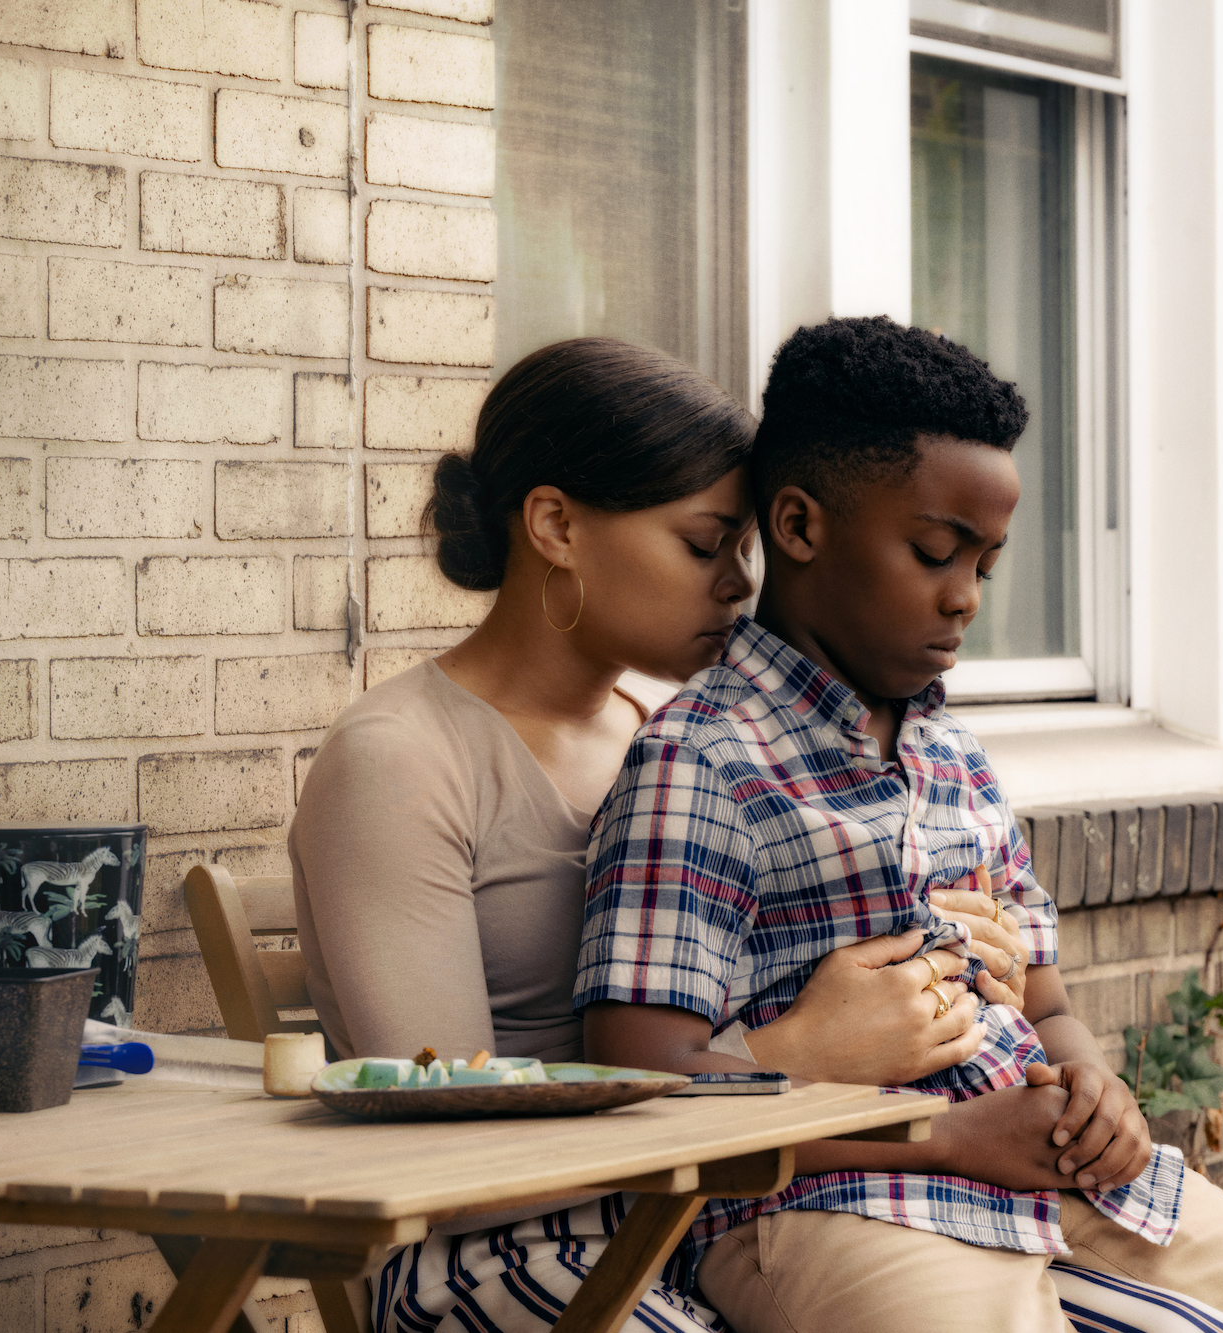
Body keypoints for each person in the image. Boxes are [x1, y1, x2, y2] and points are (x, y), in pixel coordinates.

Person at [576, 316, 1223, 1333]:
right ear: (796, 525)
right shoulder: (703, 762)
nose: (963, 598)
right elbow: (641, 1087)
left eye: (986, 565)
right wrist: (951, 1137)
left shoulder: (952, 755)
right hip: (827, 1205)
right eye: (931, 552)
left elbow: (1041, 1001)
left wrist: (1093, 1082)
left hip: (1047, 1172)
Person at [289, 336, 1029, 1333]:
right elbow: (447, 1143)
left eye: (743, 548)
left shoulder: (672, 734)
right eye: (701, 543)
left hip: (713, 1214)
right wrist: (786, 1050)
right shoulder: (399, 758)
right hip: (517, 1255)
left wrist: (972, 964)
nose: (737, 582)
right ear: (554, 524)